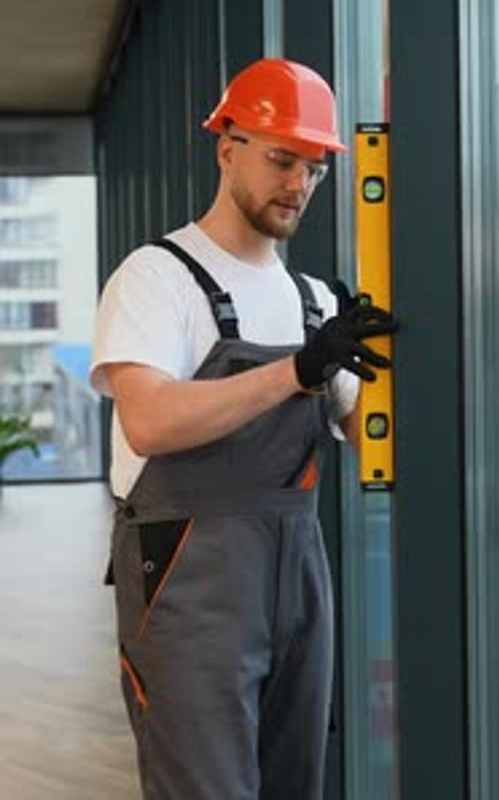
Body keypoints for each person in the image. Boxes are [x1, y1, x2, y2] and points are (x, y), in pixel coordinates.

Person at [90, 57, 397, 800]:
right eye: (281, 159)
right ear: (227, 147)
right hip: (187, 579)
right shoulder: (157, 277)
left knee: (295, 784)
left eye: (315, 169)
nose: (299, 185)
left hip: (296, 575)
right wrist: (298, 371)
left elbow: (373, 442)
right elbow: (151, 420)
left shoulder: (317, 302)